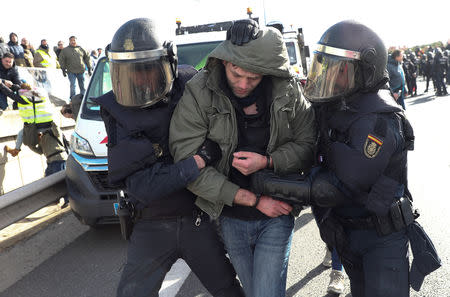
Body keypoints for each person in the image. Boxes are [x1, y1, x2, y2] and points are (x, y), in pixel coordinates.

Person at [93, 18, 244, 297]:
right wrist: (196, 162)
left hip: (197, 220)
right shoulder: (118, 113)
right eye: (129, 73)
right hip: (151, 225)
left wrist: (243, 41)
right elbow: (142, 186)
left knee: (229, 291)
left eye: (146, 70)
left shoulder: (190, 88)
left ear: (169, 64)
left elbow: (236, 87)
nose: (138, 80)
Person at [170, 20, 316, 297]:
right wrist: (254, 200)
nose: (243, 84)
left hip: (278, 210)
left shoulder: (287, 89)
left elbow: (308, 144)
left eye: (253, 78)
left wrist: (268, 162)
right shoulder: (199, 93)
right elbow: (187, 163)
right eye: (236, 74)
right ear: (224, 62)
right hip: (230, 215)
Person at [303, 20, 441, 297]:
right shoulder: (337, 108)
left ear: (364, 70)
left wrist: (266, 184)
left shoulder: (380, 118)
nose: (330, 76)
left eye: (339, 70)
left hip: (382, 239)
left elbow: (347, 179)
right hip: (349, 233)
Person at [0, 81, 69, 207]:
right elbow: (21, 90)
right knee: (51, 180)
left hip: (41, 132)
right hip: (46, 126)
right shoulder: (38, 95)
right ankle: (57, 198)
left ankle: (16, 150)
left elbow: (11, 95)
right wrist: (14, 85)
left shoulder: (24, 100)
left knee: (22, 133)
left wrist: (1, 85)